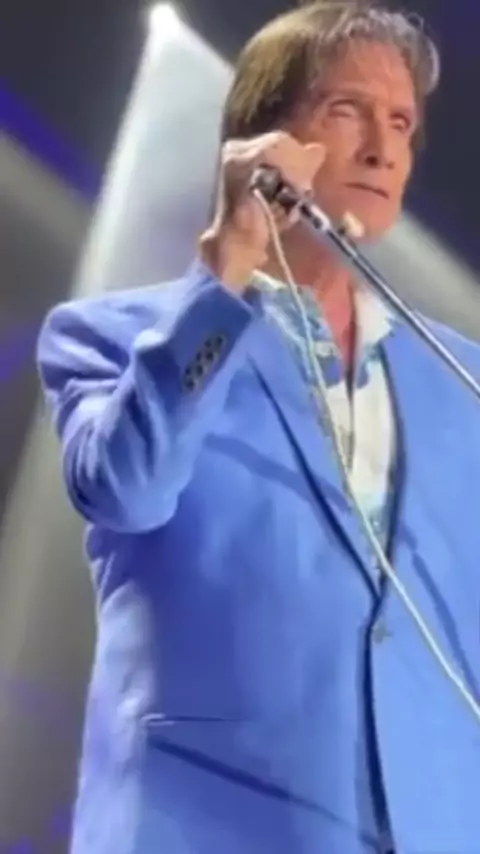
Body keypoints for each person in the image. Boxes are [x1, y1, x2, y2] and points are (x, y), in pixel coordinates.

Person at [36, 2, 480, 853]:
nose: (384, 149)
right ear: (263, 137)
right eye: (348, 111)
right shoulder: (115, 337)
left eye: (401, 124)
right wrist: (227, 268)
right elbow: (125, 490)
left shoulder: (459, 377)